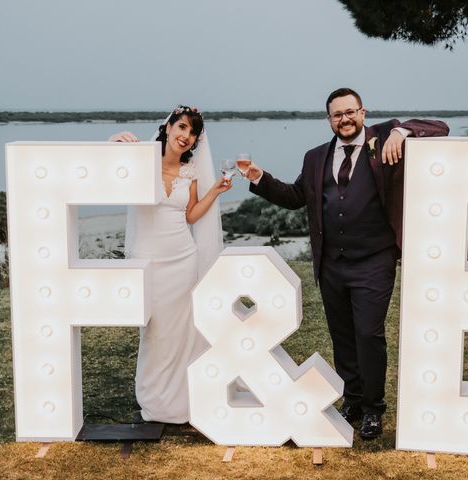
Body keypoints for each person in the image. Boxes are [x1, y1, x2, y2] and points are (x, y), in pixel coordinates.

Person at [245, 88, 449, 439]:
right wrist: (260, 179)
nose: (345, 119)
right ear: (329, 120)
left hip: (374, 260)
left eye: (350, 112)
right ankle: (352, 399)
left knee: (369, 334)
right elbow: (296, 198)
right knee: (343, 338)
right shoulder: (314, 158)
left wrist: (402, 132)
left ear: (363, 112)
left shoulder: (386, 140)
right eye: (337, 114)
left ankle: (373, 408)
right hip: (331, 265)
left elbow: (439, 127)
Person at [109, 106, 230, 423]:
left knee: (181, 332)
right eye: (181, 127)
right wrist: (113, 142)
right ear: (167, 127)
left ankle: (184, 398)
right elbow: (110, 173)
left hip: (182, 259)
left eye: (191, 133)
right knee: (155, 331)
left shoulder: (190, 174)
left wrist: (215, 189)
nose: (185, 136)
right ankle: (156, 399)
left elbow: (189, 215)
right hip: (149, 260)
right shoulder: (141, 162)